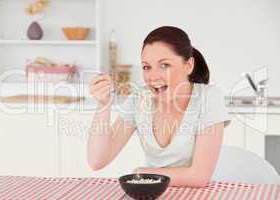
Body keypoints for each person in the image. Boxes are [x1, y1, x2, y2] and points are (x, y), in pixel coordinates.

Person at [87, 26, 230, 187]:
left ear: (188, 65)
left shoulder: (208, 97)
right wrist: (103, 105)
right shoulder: (139, 99)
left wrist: (142, 173)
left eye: (164, 65)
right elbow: (97, 161)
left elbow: (199, 177)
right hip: (152, 194)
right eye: (147, 67)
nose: (153, 77)